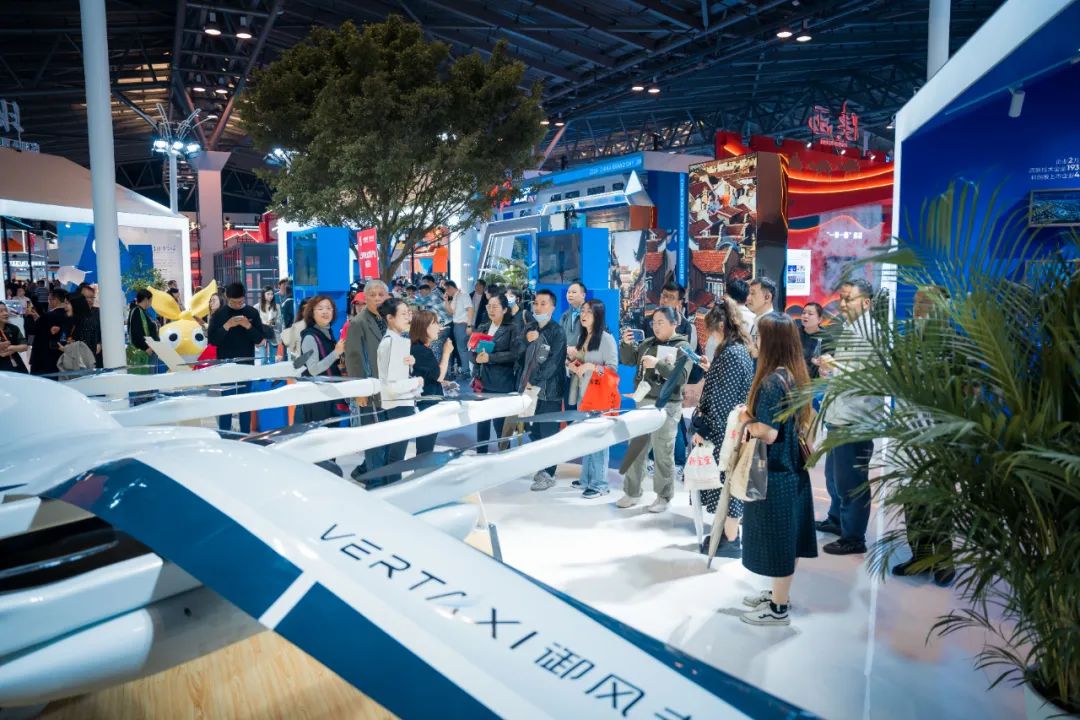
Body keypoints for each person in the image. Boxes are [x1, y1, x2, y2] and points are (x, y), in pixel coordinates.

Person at [738, 311, 818, 626]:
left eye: (759, 336)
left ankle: (778, 609)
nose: (755, 341)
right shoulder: (794, 375)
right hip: (793, 472)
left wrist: (745, 420)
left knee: (779, 542)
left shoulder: (772, 382)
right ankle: (778, 596)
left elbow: (768, 433)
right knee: (788, 540)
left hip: (775, 474)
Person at [817, 279, 879, 555]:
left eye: (848, 299)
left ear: (866, 302)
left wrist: (833, 366)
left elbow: (867, 377)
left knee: (851, 481)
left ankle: (854, 536)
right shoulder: (851, 329)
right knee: (834, 476)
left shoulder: (871, 332)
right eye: (841, 298)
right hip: (840, 414)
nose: (842, 304)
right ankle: (837, 520)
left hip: (855, 418)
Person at [691, 300, 755, 556]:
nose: (710, 336)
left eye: (711, 329)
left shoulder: (731, 353)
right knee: (726, 483)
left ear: (720, 325)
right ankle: (728, 534)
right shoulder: (736, 350)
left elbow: (723, 400)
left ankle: (730, 539)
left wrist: (704, 429)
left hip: (726, 432)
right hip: (729, 428)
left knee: (727, 484)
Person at [617, 306, 692, 513]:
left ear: (674, 323)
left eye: (661, 322)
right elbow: (628, 360)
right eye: (654, 322)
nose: (656, 327)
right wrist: (626, 344)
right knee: (636, 449)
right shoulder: (648, 343)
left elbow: (681, 377)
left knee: (663, 452)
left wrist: (657, 364)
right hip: (643, 403)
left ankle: (663, 497)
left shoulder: (683, 346)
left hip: (666, 405)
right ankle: (632, 492)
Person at [567, 298, 618, 498]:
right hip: (584, 395)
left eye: (589, 311)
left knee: (599, 441)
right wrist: (573, 364)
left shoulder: (606, 339)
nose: (584, 314)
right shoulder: (584, 337)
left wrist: (592, 367)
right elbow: (583, 364)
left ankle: (600, 484)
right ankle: (587, 479)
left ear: (598, 315)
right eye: (583, 310)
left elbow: (612, 369)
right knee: (587, 438)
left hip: (599, 398)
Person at [375, 298, 424, 484]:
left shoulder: (395, 341)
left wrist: (410, 368)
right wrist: (416, 381)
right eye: (403, 314)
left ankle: (391, 488)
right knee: (396, 456)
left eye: (408, 313)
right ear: (390, 318)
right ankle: (393, 489)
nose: (408, 317)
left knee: (394, 454)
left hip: (395, 404)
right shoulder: (393, 342)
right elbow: (393, 386)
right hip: (399, 404)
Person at [344, 279, 389, 476]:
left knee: (388, 436)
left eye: (381, 295)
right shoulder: (358, 322)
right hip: (369, 390)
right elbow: (353, 359)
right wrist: (360, 391)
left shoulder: (390, 319)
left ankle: (372, 473)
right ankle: (374, 479)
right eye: (372, 295)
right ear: (366, 298)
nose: (377, 298)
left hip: (390, 389)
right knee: (373, 438)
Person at [524, 289, 568, 491]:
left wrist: (535, 381)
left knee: (548, 433)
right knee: (532, 429)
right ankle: (541, 466)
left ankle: (549, 473)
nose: (538, 307)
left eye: (543, 303)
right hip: (528, 390)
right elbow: (520, 353)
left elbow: (554, 362)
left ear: (552, 307)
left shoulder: (557, 332)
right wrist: (526, 340)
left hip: (549, 390)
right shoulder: (530, 328)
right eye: (536, 303)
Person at [207, 282, 264, 433]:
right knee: (227, 402)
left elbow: (260, 339)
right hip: (225, 365)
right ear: (227, 297)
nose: (238, 305)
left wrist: (248, 326)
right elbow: (212, 341)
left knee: (244, 402)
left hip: (246, 364)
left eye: (241, 301)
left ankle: (245, 434)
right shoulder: (219, 315)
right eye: (234, 302)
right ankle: (225, 434)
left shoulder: (252, 312)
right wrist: (226, 326)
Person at [474, 293, 524, 453]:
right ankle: (480, 455)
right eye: (489, 306)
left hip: (502, 383)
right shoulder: (483, 327)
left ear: (504, 309)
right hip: (482, 382)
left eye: (495, 306)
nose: (491, 309)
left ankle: (504, 457)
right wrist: (476, 357)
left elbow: (515, 354)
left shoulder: (512, 328)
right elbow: (473, 349)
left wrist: (490, 357)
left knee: (500, 426)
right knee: (481, 423)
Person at [294, 295, 347, 424]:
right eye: (320, 308)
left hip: (329, 394)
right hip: (317, 397)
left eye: (329, 308)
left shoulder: (328, 332)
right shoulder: (310, 337)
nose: (325, 311)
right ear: (312, 313)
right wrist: (336, 353)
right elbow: (313, 370)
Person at [410, 309, 453, 456]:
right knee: (425, 448)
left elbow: (429, 375)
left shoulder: (420, 348)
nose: (439, 327)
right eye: (435, 323)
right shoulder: (421, 350)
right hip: (427, 403)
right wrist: (447, 352)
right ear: (424, 326)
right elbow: (438, 376)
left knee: (426, 447)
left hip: (427, 401)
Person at [30, 288, 70, 376]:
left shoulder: (48, 316)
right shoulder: (68, 315)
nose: (48, 302)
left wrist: (34, 319)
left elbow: (34, 330)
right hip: (63, 356)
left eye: (49, 299)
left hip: (44, 358)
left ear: (55, 300)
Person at [445, 280, 473, 380]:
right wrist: (446, 301)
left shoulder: (463, 295)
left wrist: (469, 325)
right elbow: (450, 312)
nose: (446, 292)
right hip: (457, 325)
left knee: (462, 349)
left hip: (462, 324)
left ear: (450, 288)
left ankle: (466, 372)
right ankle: (465, 370)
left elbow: (470, 309)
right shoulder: (455, 297)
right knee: (461, 349)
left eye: (446, 290)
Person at [68, 292, 101, 369]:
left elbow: (84, 346)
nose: (64, 306)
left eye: (67, 303)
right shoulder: (75, 320)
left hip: (83, 365)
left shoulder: (85, 322)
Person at [127, 288, 159, 359]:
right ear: (146, 300)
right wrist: (146, 348)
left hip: (150, 349)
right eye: (151, 300)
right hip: (145, 351)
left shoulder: (142, 311)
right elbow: (136, 333)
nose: (151, 303)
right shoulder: (137, 312)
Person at [746, 276, 777, 347]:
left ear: (767, 297)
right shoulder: (757, 320)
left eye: (752, 293)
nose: (748, 298)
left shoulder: (773, 325)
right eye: (748, 294)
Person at [798, 302, 825, 378]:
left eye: (810, 314)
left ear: (819, 319)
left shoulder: (826, 338)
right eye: (804, 313)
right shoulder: (794, 334)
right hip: (796, 378)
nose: (805, 316)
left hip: (816, 381)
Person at [0, 303, 29, 373]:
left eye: (6, 310)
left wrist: (10, 348)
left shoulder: (13, 328)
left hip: (17, 366)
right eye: (1, 311)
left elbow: (25, 346)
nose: (5, 313)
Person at [257, 286, 280, 364]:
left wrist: (272, 323)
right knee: (263, 359)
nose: (270, 296)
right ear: (263, 294)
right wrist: (264, 324)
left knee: (273, 360)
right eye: (268, 294)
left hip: (273, 334)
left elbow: (280, 321)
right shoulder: (258, 306)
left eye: (272, 294)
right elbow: (255, 321)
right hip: (262, 334)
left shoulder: (277, 306)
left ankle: (272, 372)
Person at [560, 281, 587, 349]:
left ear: (583, 295)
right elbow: (559, 338)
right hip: (566, 354)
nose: (570, 295)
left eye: (574, 292)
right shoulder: (564, 316)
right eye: (568, 292)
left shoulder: (591, 314)